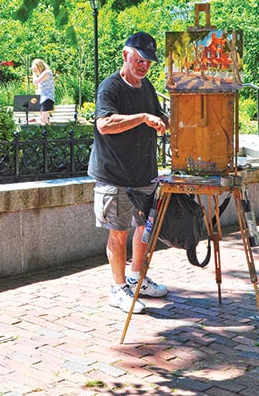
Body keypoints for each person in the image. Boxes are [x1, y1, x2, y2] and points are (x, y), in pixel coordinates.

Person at [88, 31, 169, 314]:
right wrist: (143, 119)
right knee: (118, 233)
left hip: (144, 174)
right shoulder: (109, 87)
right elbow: (105, 124)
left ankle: (137, 279)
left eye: (148, 62)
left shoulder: (147, 87)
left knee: (144, 230)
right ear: (125, 56)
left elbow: (159, 117)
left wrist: (170, 122)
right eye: (139, 59)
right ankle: (118, 288)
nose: (144, 66)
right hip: (114, 175)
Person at [30, 58, 55, 124]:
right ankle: (45, 132)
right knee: (42, 119)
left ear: (40, 66)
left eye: (35, 69)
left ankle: (48, 132)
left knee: (45, 119)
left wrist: (34, 73)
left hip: (47, 98)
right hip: (42, 99)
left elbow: (35, 82)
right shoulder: (42, 74)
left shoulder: (47, 73)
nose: (35, 71)